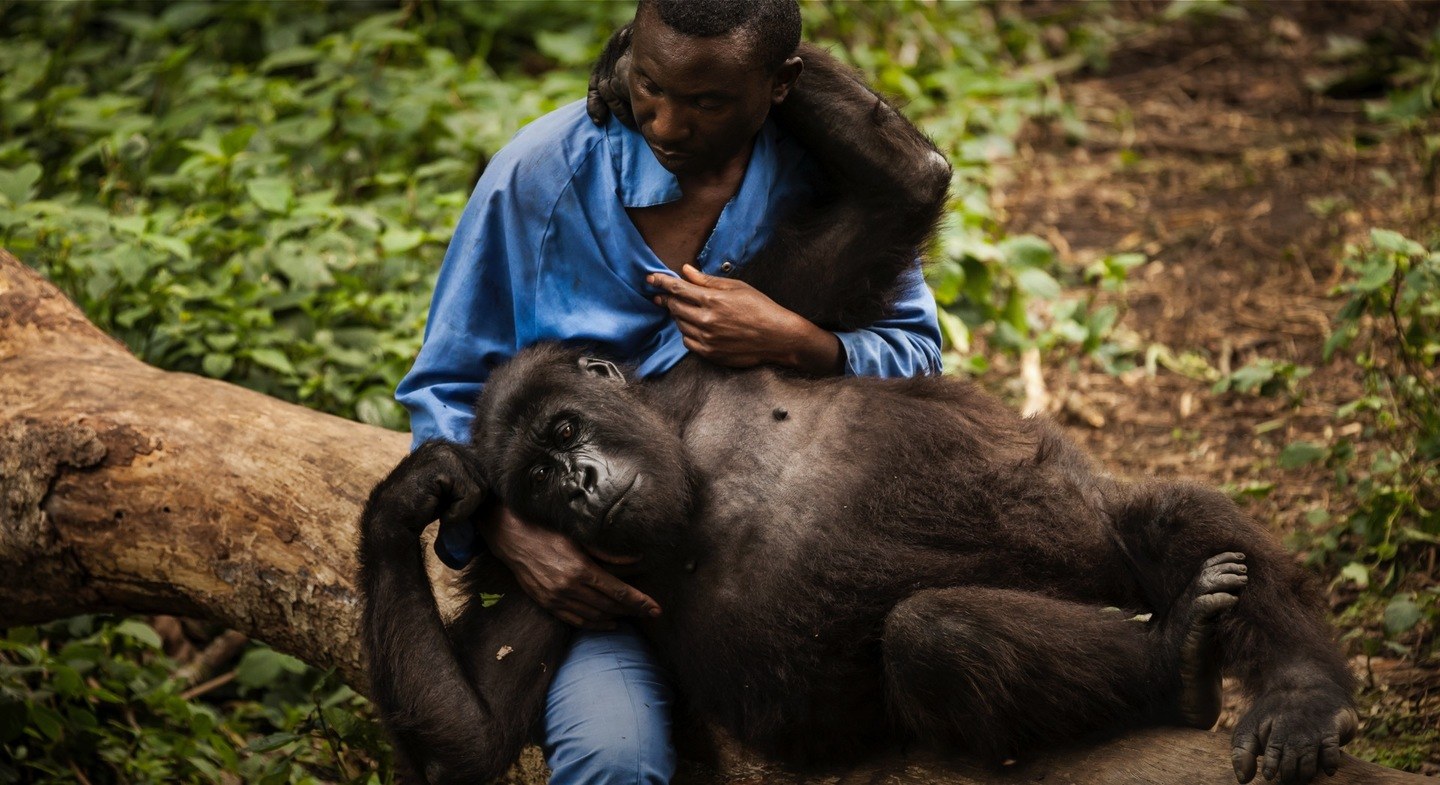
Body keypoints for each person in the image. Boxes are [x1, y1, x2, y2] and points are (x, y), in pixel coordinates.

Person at [395, 0, 944, 782]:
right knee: (613, 760)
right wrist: (506, 531)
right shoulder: (542, 175)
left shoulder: (825, 177)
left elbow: (920, 358)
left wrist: (800, 341)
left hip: (785, 542)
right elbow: (445, 390)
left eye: (708, 101)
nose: (665, 124)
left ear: (780, 85)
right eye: (648, 84)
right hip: (599, 588)